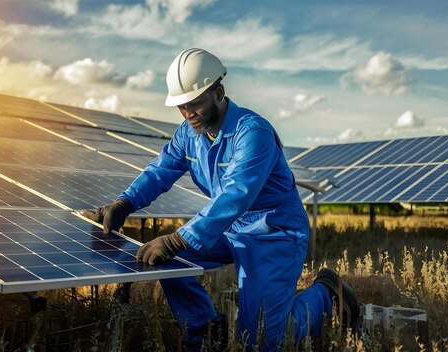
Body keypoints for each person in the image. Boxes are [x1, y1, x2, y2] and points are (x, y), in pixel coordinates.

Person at [85, 48, 359, 351]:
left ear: (218, 92)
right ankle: (205, 331)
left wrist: (177, 239)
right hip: (229, 227)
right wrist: (125, 203)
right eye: (181, 106)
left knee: (259, 339)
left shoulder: (253, 133)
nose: (188, 112)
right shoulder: (188, 134)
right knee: (172, 264)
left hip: (274, 230)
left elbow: (236, 195)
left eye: (195, 103)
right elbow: (160, 170)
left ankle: (326, 295)